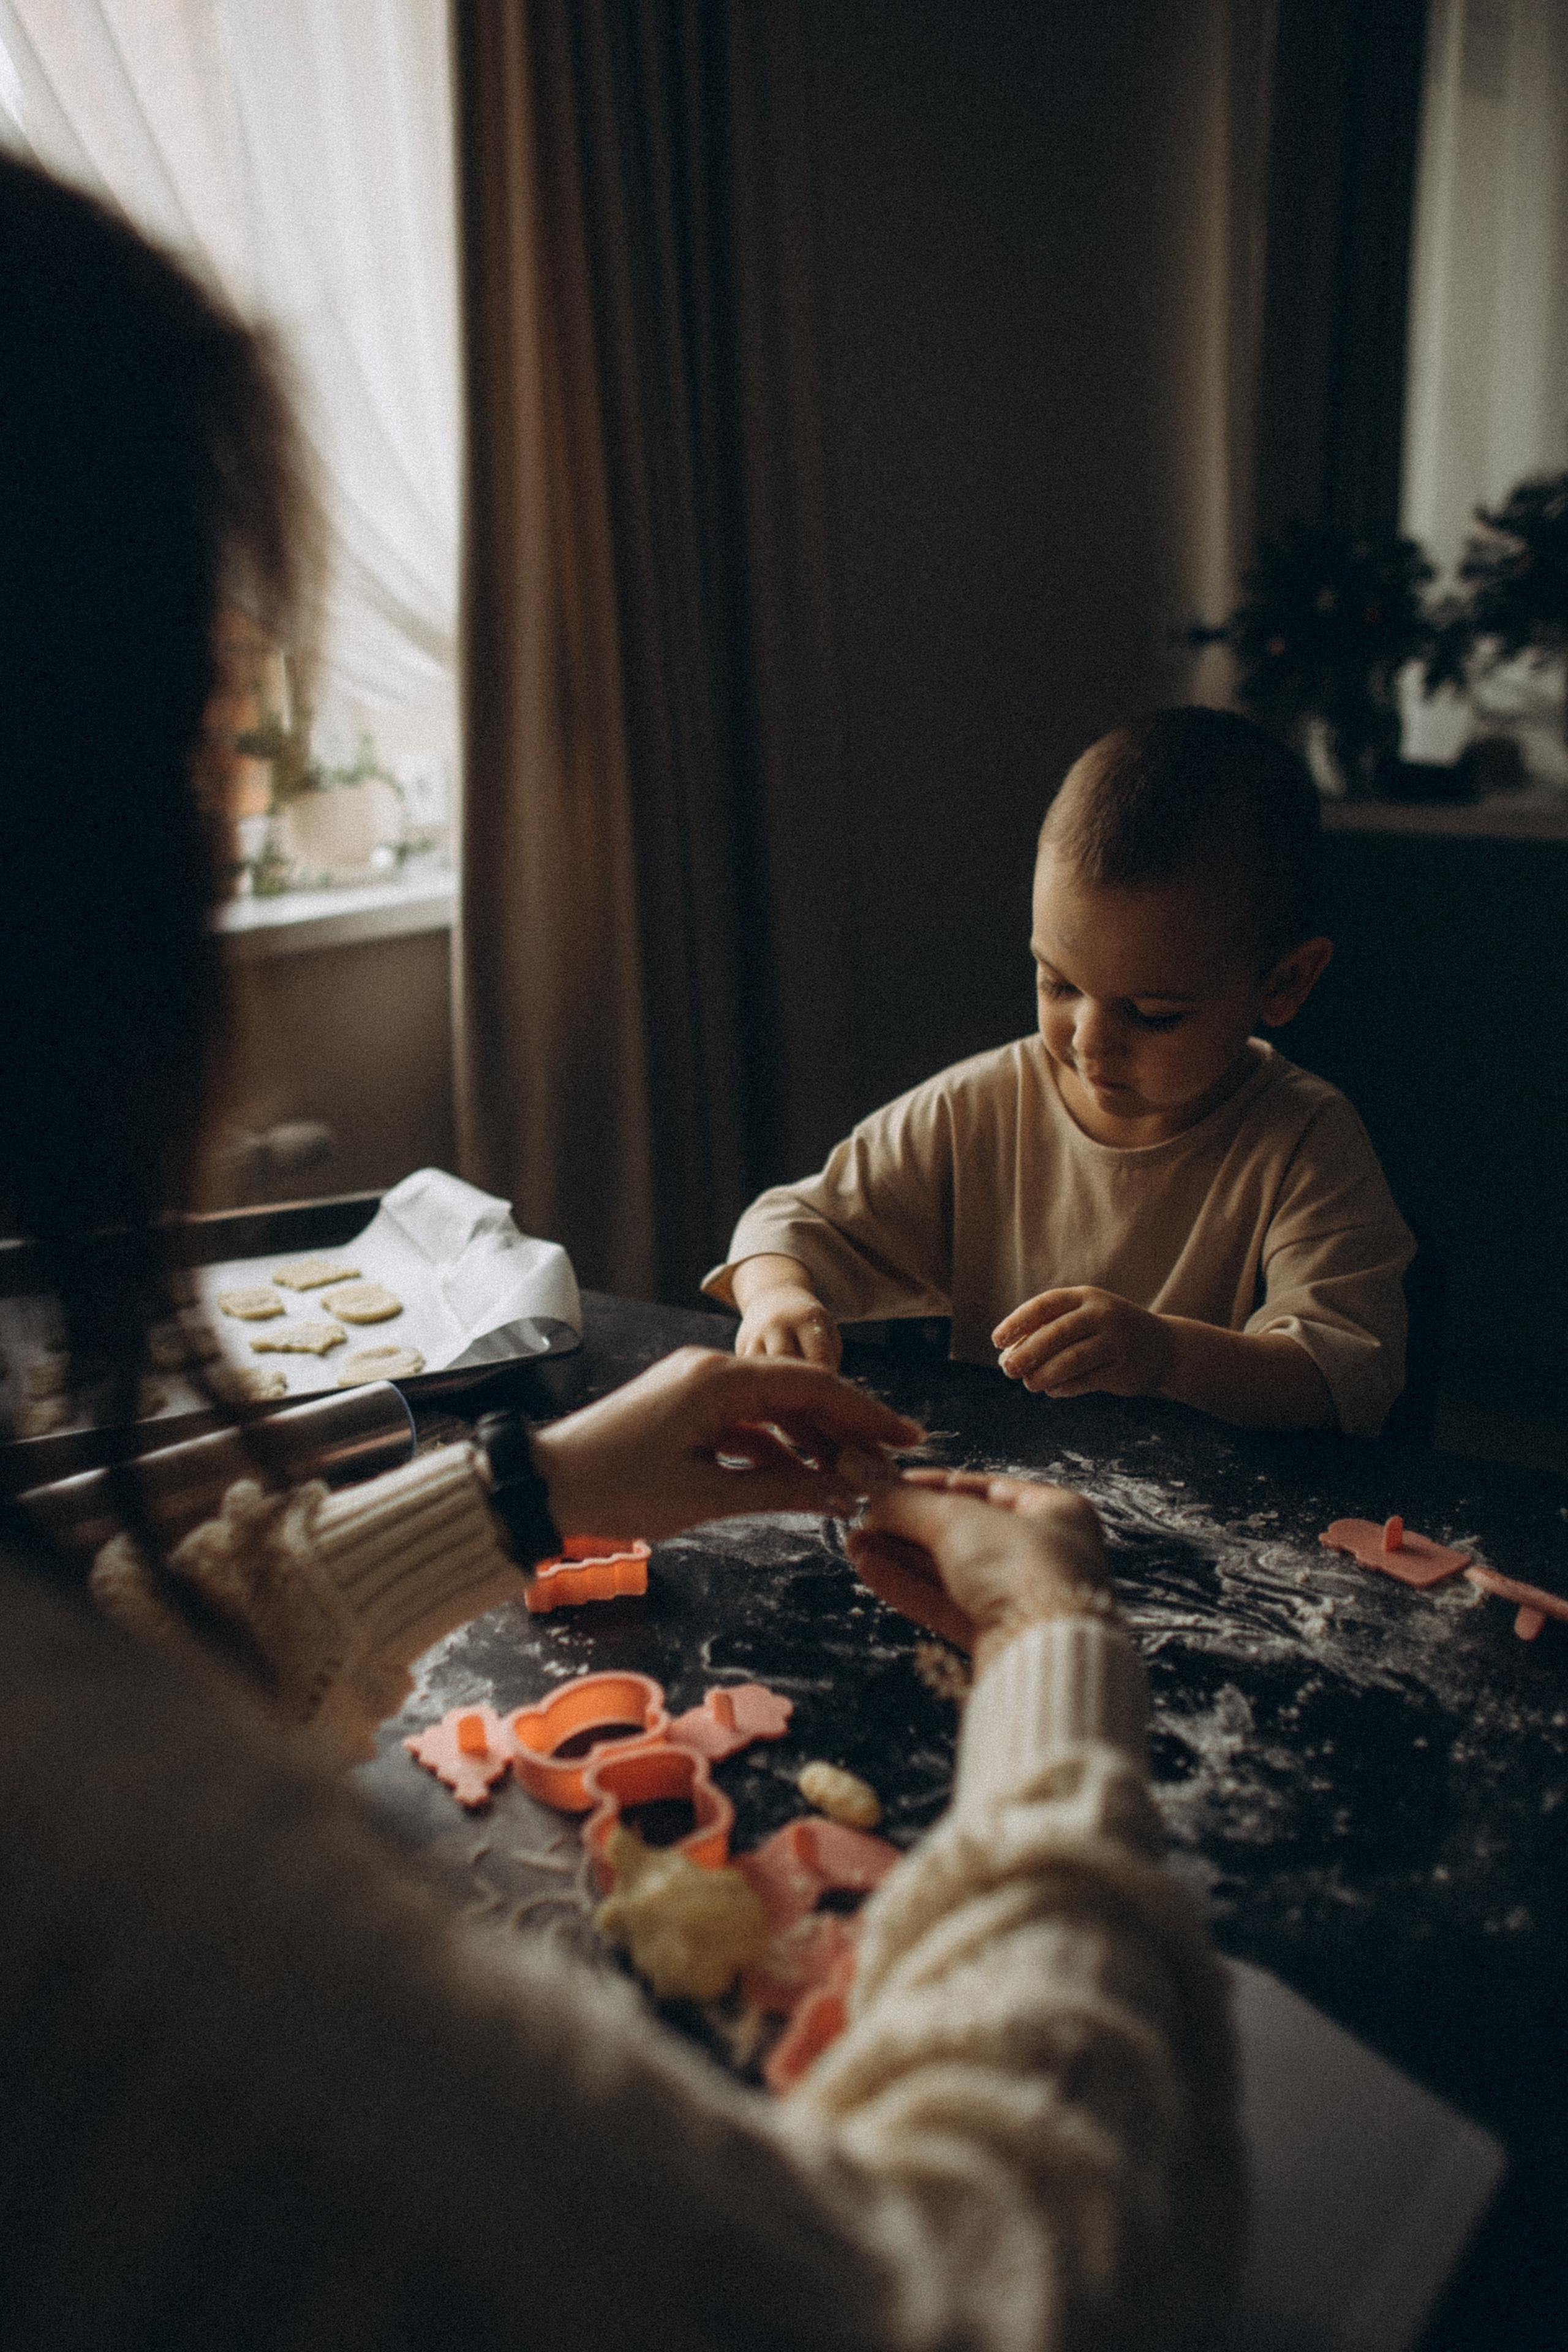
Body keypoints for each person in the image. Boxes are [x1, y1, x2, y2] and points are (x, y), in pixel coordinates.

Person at [0, 156, 1240, 2350]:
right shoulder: (120, 1924)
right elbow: (986, 2297)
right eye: (206, 739)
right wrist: (1054, 1671)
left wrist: (533, 1488)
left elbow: (112, 1666)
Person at [709, 709, 1414, 1436]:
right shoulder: (981, 1107)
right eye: (1058, 984)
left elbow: (1341, 1382)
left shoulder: (1304, 1142)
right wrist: (778, 1299)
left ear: (1285, 983)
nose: (1089, 1044)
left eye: (1152, 1013)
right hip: (1005, 1505)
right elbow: (789, 1222)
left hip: (1216, 1521)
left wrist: (1166, 1357)